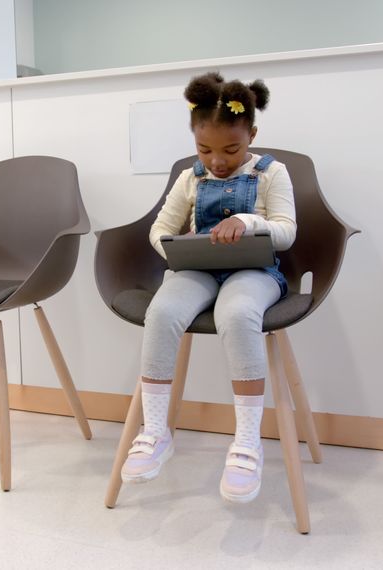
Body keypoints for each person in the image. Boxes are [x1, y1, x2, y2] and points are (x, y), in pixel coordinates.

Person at [120, 72, 297, 504]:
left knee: (236, 315)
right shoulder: (190, 177)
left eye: (231, 150)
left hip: (253, 272)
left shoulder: (273, 173)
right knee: (160, 314)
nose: (217, 161)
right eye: (205, 149)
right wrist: (181, 251)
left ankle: (247, 443)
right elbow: (159, 230)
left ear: (251, 134)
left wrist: (248, 223)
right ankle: (157, 431)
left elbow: (287, 232)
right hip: (197, 270)